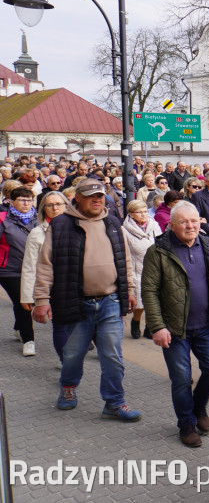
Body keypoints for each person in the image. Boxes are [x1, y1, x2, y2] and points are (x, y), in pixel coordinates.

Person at [32, 179, 141, 421]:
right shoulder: (60, 225)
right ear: (77, 198)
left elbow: (125, 260)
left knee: (112, 355)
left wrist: (130, 290)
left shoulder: (113, 223)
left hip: (110, 301)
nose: (96, 200)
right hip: (75, 300)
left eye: (100, 196)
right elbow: (45, 265)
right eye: (91, 196)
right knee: (73, 354)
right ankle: (68, 387)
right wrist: (41, 299)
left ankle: (114, 402)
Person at [142, 201, 209, 447]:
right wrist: (157, 326)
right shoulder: (158, 251)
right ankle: (187, 424)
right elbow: (149, 290)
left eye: (194, 220)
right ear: (171, 225)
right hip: (174, 329)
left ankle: (199, 408)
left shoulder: (208, 245)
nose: (190, 226)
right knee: (181, 379)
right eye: (183, 221)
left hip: (206, 326)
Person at [20, 191, 66, 356]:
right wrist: (27, 296)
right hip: (52, 287)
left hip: (77, 285)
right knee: (60, 326)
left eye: (59, 204)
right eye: (50, 205)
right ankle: (65, 360)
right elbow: (29, 266)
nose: (55, 208)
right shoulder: (37, 233)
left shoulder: (78, 227)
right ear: (43, 209)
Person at [0, 187, 38, 356]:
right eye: (22, 200)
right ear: (12, 201)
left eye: (29, 200)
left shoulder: (38, 219)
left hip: (34, 268)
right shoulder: (3, 219)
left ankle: (18, 327)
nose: (26, 203)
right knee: (23, 301)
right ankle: (29, 339)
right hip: (10, 269)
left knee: (27, 301)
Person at [122, 199, 160, 340]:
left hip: (155, 267)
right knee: (139, 302)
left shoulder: (153, 224)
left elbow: (161, 241)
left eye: (145, 211)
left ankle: (150, 327)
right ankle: (136, 321)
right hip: (136, 268)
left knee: (154, 299)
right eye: (139, 212)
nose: (143, 214)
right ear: (131, 214)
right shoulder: (125, 229)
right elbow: (125, 253)